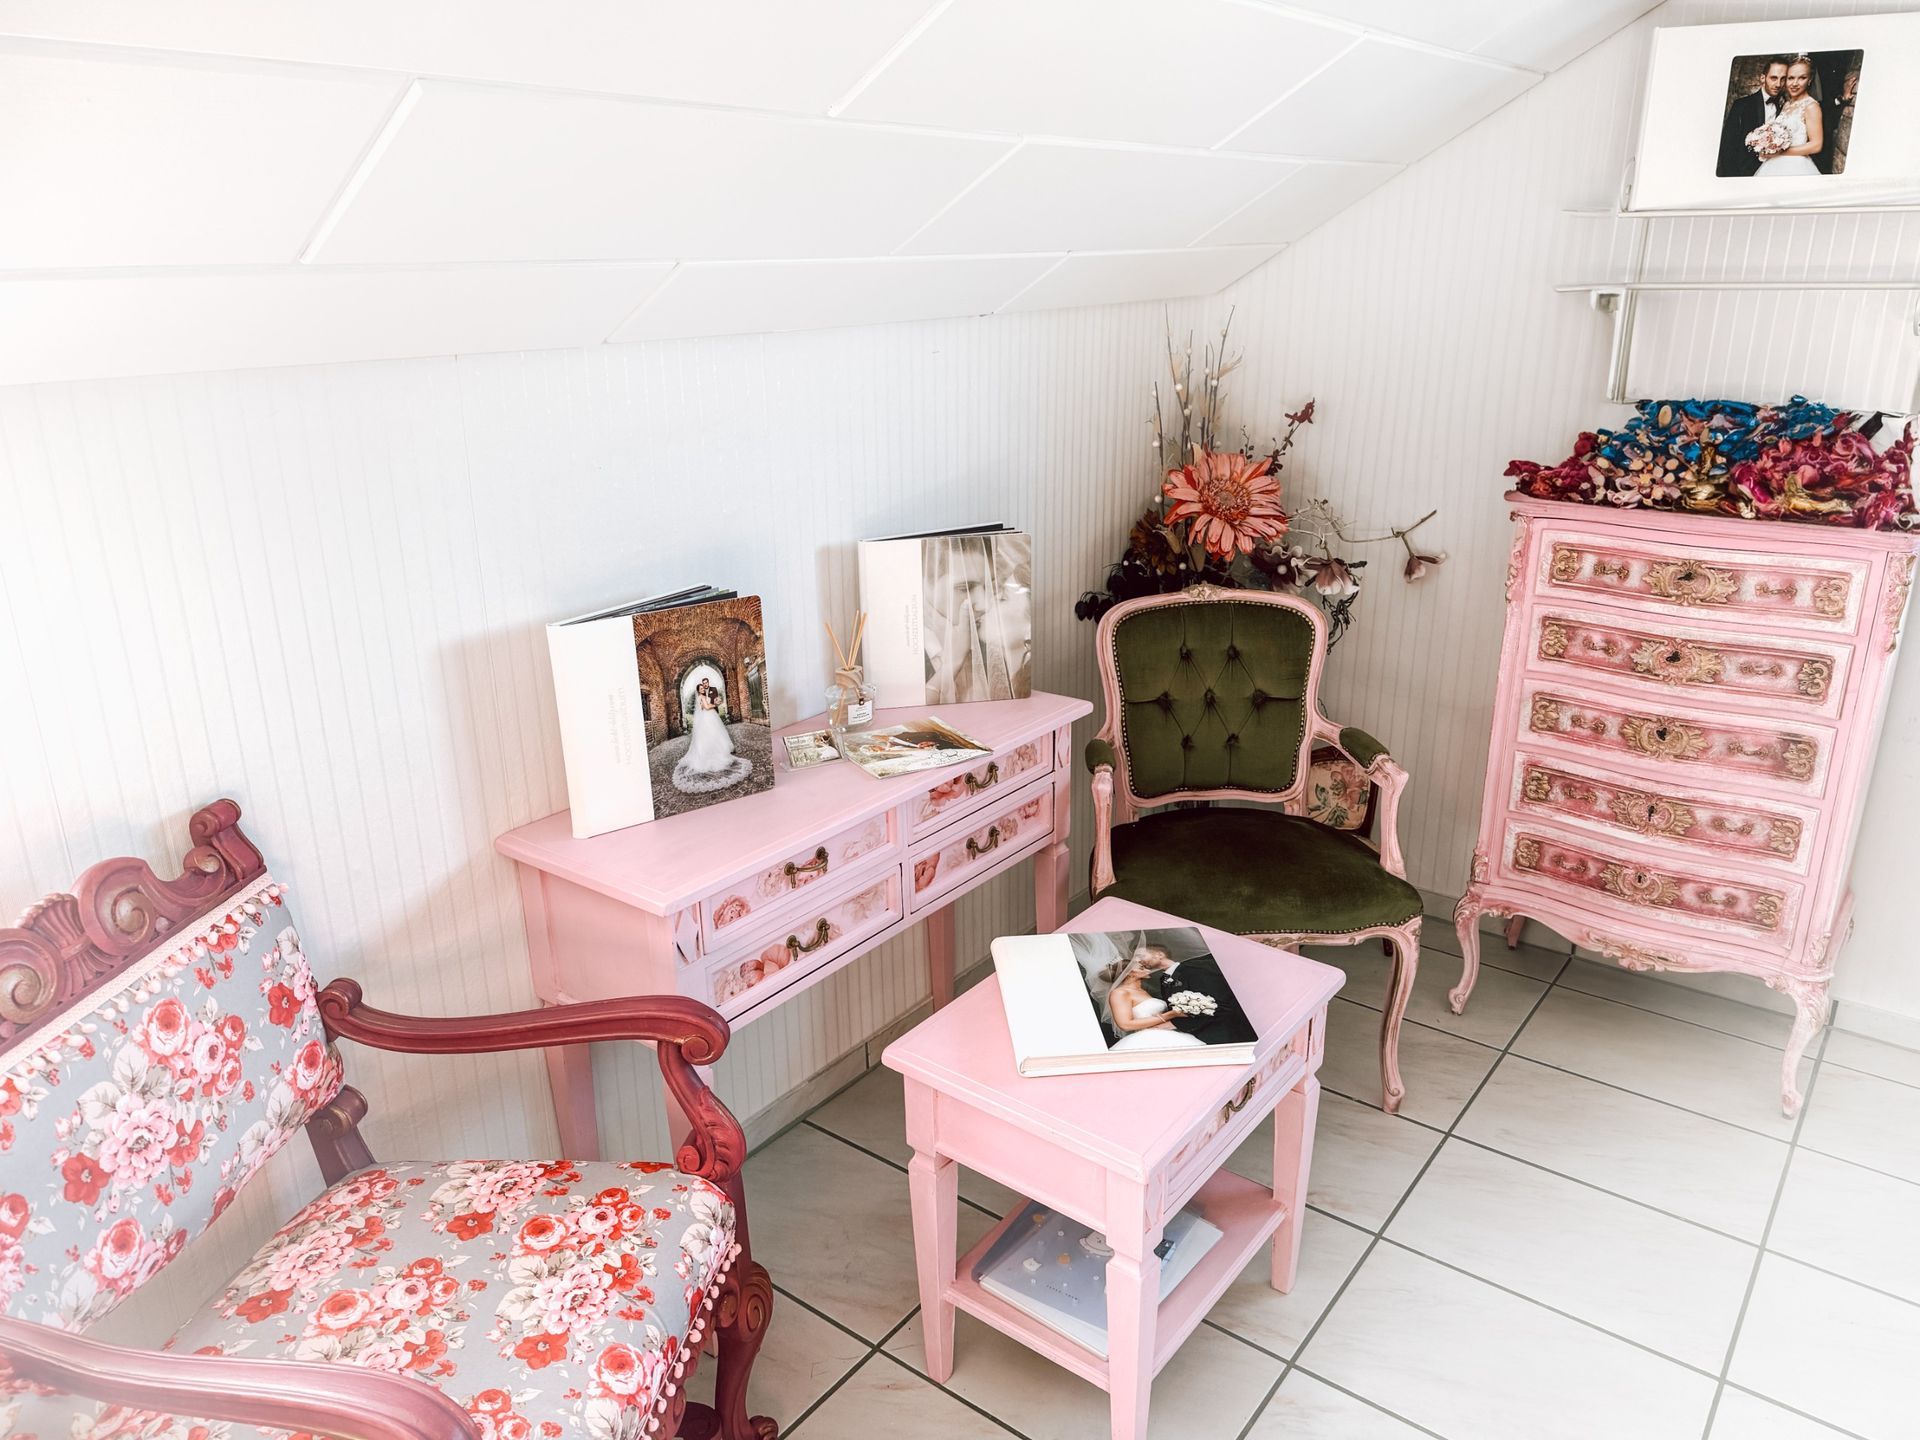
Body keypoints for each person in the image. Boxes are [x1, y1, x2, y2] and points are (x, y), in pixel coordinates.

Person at [1100, 945, 1207, 1052]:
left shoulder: (1143, 991)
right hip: (1147, 1039)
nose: (1147, 970)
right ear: (1130, 974)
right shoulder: (1120, 993)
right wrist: (1171, 1014)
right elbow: (1125, 1024)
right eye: (1141, 968)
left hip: (1166, 1033)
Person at [672, 678, 750, 791]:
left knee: (712, 736)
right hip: (708, 717)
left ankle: (713, 750)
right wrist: (716, 704)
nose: (703, 689)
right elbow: (707, 707)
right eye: (701, 688)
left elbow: (702, 707)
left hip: (708, 717)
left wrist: (713, 702)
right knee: (711, 735)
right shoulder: (702, 697)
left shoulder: (701, 696)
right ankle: (713, 753)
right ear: (698, 690)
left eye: (703, 687)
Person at [1754, 56, 1824, 177]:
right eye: (1791, 78)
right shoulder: (1786, 104)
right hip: (1773, 164)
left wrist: (1779, 153)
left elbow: (1816, 145)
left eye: (1802, 78)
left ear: (1810, 80)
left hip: (1796, 165)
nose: (1795, 83)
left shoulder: (1811, 106)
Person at [1718, 56, 1787, 178]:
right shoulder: (1742, 105)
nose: (1778, 84)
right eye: (1774, 78)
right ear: (1763, 78)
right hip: (1745, 173)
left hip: (1774, 171)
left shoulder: (1786, 106)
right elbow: (1727, 147)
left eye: (1783, 79)